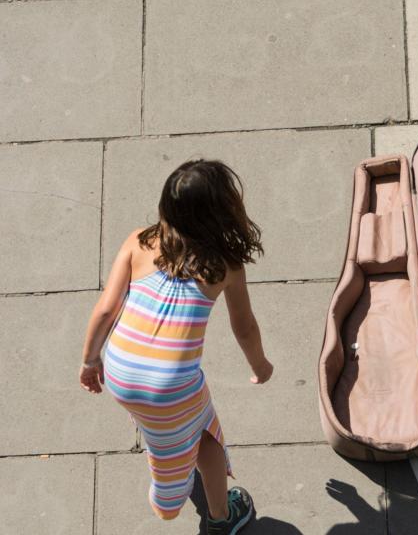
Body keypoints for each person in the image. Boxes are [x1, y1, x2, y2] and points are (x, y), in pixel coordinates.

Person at [79, 159, 273, 534]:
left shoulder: (139, 241)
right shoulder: (224, 266)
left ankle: (169, 451)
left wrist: (90, 360)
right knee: (206, 435)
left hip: (120, 370)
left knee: (166, 428)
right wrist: (260, 365)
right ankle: (219, 517)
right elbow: (244, 327)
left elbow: (106, 310)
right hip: (171, 385)